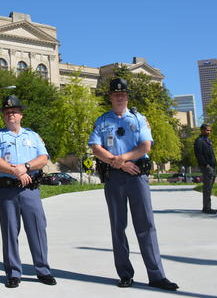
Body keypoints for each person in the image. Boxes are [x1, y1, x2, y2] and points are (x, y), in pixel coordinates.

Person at [89, 78, 178, 291]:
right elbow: (95, 147)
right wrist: (116, 163)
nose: (120, 97)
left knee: (146, 225)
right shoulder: (102, 121)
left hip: (137, 175)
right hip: (114, 178)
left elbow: (145, 146)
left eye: (123, 94)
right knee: (118, 227)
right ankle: (125, 274)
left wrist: (123, 160)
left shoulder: (139, 119)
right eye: (115, 94)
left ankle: (156, 275)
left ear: (127, 96)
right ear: (110, 97)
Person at [0, 95, 56, 289]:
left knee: (38, 229)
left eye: (14, 112)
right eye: (7, 113)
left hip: (30, 189)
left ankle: (43, 270)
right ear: (3, 116)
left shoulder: (32, 136)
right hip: (7, 191)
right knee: (9, 232)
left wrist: (25, 166)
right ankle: (13, 273)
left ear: (21, 115)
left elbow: (43, 158)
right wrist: (14, 171)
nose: (11, 115)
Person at [194, 124, 217, 214]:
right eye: (207, 130)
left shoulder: (207, 140)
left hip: (212, 166)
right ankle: (207, 208)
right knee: (207, 188)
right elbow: (199, 155)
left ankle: (207, 206)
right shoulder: (199, 141)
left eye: (210, 130)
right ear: (202, 130)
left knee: (209, 188)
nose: (209, 132)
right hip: (206, 167)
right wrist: (206, 166)